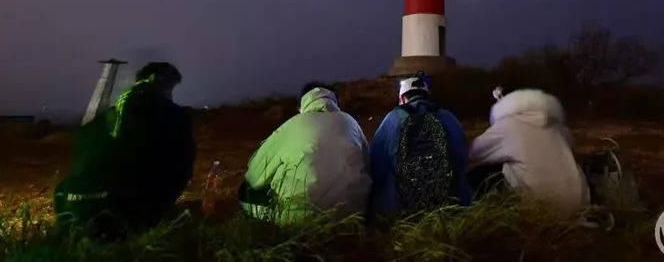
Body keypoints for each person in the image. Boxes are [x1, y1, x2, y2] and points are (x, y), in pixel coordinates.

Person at [54, 62, 196, 237]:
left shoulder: (104, 117)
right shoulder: (174, 115)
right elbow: (183, 169)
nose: (171, 96)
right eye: (170, 90)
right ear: (157, 82)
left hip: (71, 209)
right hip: (123, 215)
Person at [239, 83, 371, 223]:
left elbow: (254, 174)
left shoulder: (293, 124)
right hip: (353, 215)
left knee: (246, 191)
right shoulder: (350, 122)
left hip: (299, 220)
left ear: (302, 106)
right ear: (335, 102)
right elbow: (368, 165)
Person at [468, 86, 590, 213]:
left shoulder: (507, 124)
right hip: (577, 204)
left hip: (539, 207)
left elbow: (474, 152)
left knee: (482, 172)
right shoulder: (557, 126)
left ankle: (478, 212)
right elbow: (571, 147)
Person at [369, 73, 471, 218]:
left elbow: (377, 165)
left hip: (402, 211)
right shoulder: (447, 117)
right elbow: (463, 158)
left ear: (403, 98)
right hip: (450, 207)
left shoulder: (393, 119)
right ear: (426, 95)